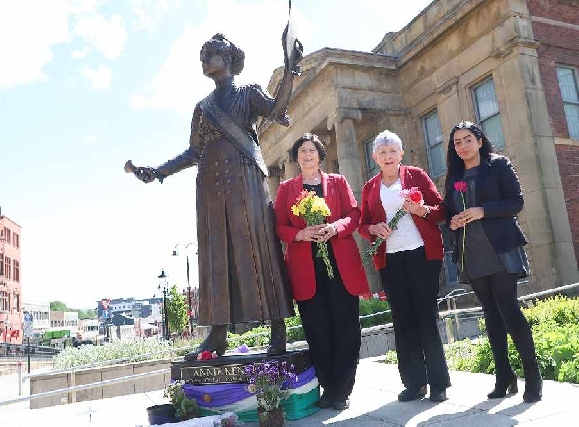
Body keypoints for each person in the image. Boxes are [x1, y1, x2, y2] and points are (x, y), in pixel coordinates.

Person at [128, 31, 303, 360]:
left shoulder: (248, 93)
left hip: (245, 179)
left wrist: (290, 68)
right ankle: (218, 334)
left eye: (212, 55)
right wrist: (159, 171)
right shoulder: (202, 107)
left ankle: (278, 329)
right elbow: (194, 152)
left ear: (230, 59)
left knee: (258, 250)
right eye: (203, 57)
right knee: (215, 256)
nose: (206, 61)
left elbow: (278, 108)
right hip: (209, 186)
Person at [443, 121, 542, 403]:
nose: (462, 146)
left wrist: (481, 210)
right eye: (457, 142)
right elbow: (449, 212)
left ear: (479, 140)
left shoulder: (498, 165)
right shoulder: (454, 176)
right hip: (471, 251)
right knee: (490, 313)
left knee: (509, 310)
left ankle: (533, 376)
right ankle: (504, 376)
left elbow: (516, 202)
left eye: (467, 140)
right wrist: (453, 220)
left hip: (500, 248)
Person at [274, 133, 369, 410]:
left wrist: (335, 228)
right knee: (318, 331)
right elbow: (279, 226)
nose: (307, 155)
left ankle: (342, 390)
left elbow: (354, 215)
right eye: (302, 151)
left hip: (340, 267)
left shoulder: (338, 182)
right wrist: (300, 233)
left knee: (347, 328)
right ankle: (327, 388)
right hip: (307, 269)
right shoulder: (286, 189)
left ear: (320, 155)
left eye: (311, 150)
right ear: (296, 157)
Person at [359, 130, 451, 403]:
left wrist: (420, 210)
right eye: (382, 152)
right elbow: (363, 225)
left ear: (401, 154)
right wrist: (374, 228)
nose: (388, 156)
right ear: (375, 157)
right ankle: (413, 383)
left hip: (422, 254)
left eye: (392, 151)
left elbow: (441, 211)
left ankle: (438, 383)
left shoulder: (417, 176)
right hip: (390, 260)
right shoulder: (369, 188)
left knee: (425, 316)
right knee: (402, 320)